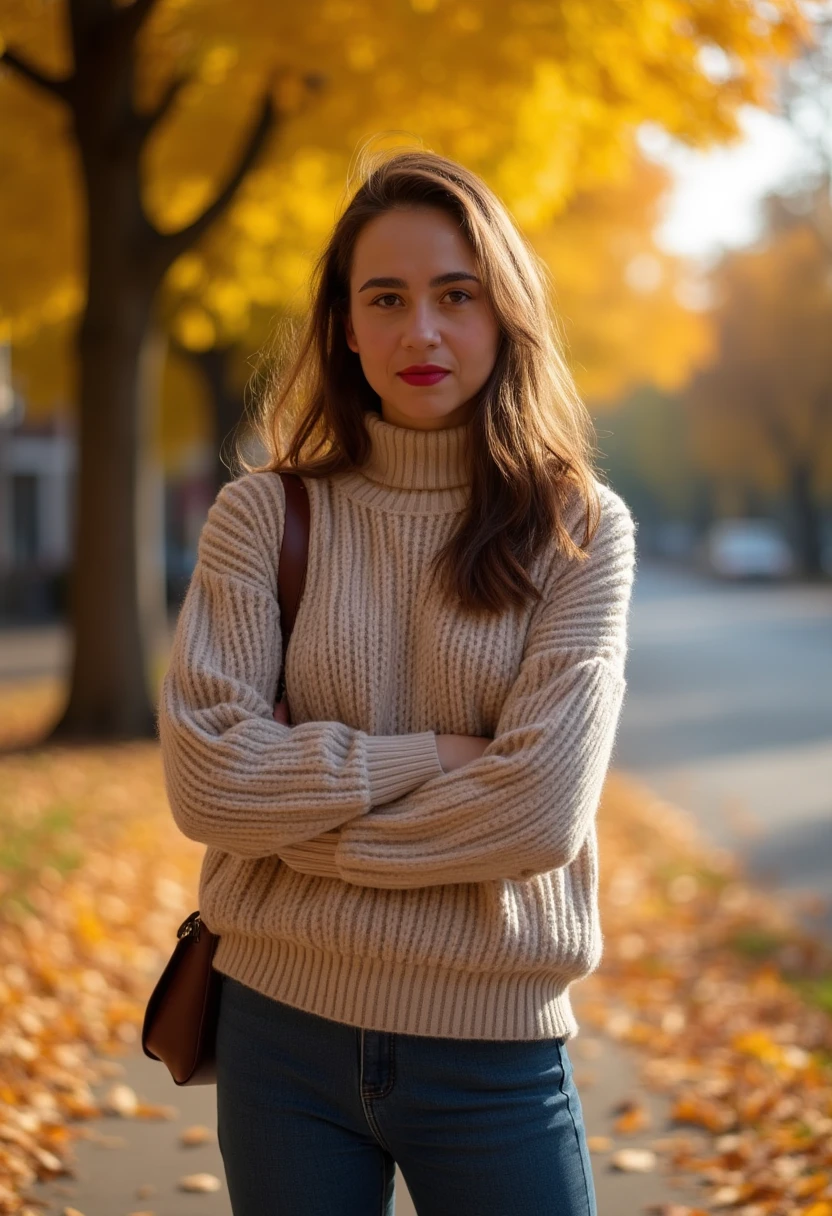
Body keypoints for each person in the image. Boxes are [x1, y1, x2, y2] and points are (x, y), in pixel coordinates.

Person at [157, 147, 637, 1216]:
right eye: (387, 298)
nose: (421, 331)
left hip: (494, 1055)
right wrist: (433, 757)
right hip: (278, 1037)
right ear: (344, 326)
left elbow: (537, 810)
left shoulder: (578, 529)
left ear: (503, 313)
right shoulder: (261, 519)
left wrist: (294, 830)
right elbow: (205, 787)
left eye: (455, 296)